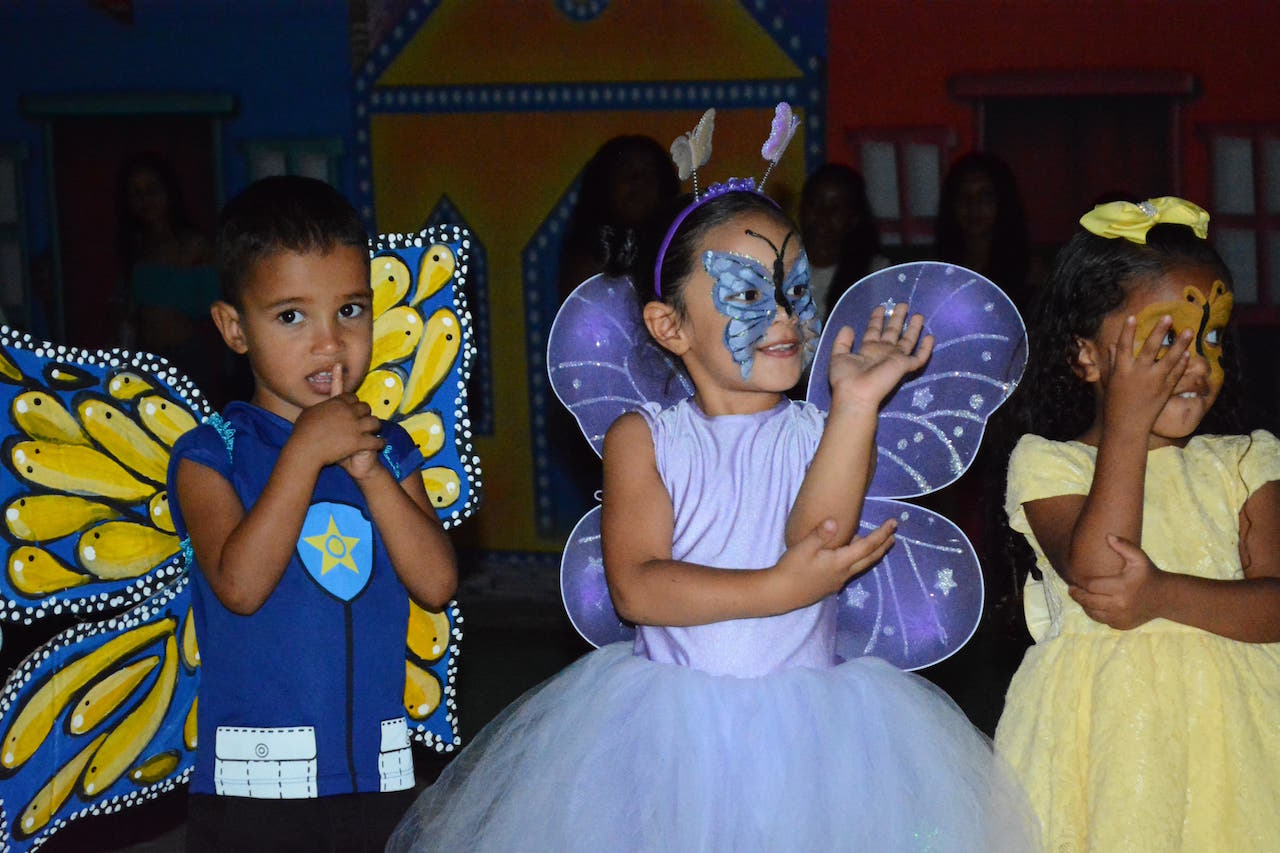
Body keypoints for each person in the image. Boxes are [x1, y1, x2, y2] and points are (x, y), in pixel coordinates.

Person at [388, 164, 1038, 848]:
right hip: (669, 734)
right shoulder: (646, 439)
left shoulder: (823, 432)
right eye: (750, 292)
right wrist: (778, 587)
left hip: (810, 734)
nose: (785, 315)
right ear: (670, 325)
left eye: (792, 289)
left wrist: (854, 404)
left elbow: (818, 535)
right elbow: (637, 586)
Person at [167, 175, 458, 852]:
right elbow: (239, 585)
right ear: (234, 328)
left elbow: (437, 582)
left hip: (376, 771)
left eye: (351, 310)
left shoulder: (393, 448)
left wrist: (370, 471)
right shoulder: (211, 455)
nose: (329, 343)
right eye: (292, 316)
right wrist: (302, 455)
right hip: (254, 787)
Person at [994, 197, 1280, 850]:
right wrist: (1125, 420)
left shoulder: (1245, 462)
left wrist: (1162, 594)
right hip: (1108, 751)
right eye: (1164, 339)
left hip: (1236, 751)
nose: (1196, 363)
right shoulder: (1050, 465)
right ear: (1088, 357)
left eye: (1210, 337)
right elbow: (1102, 576)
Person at [114, 152, 229, 402]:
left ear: (168, 192)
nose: (145, 200)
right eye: (136, 193)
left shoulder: (193, 245)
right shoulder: (135, 247)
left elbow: (212, 306)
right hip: (146, 358)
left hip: (187, 357)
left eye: (152, 190)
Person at [934, 151, 1032, 310]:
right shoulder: (938, 270)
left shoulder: (1030, 273)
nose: (974, 207)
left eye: (985, 197)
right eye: (964, 197)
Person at [798, 162, 889, 318]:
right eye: (814, 203)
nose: (822, 215)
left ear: (853, 218)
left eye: (836, 208)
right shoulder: (778, 265)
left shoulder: (875, 273)